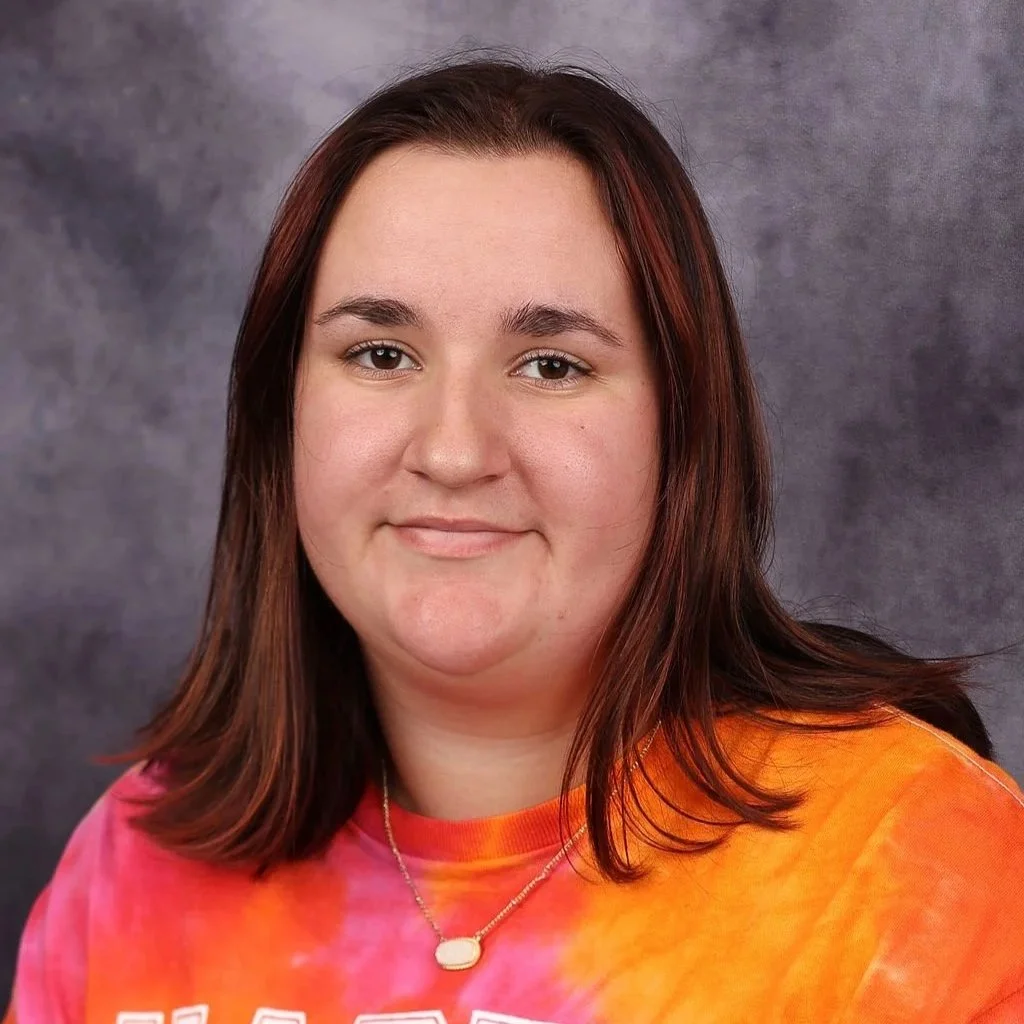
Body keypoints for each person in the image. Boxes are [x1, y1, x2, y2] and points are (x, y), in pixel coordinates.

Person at [4, 50, 1023, 1024]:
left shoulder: (913, 858)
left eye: (551, 366)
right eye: (381, 353)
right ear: (283, 416)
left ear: (682, 430)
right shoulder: (132, 866)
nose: (453, 451)